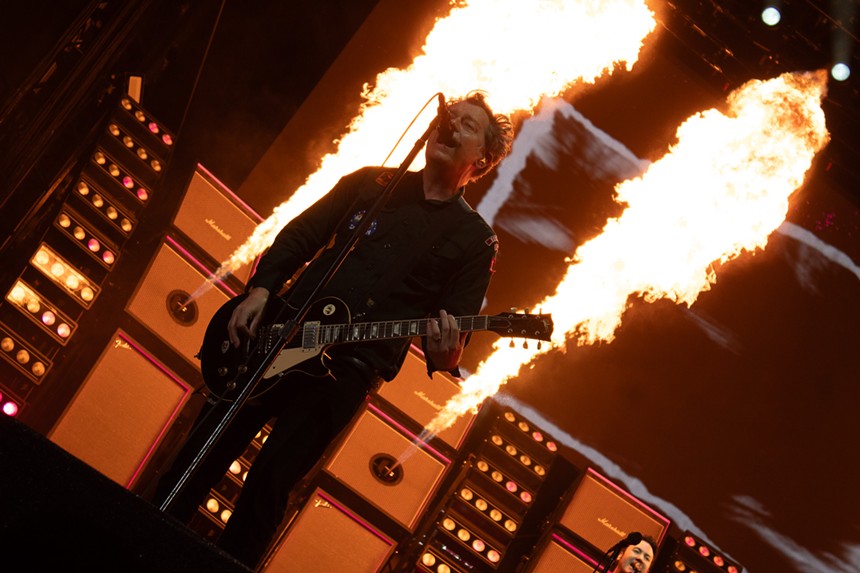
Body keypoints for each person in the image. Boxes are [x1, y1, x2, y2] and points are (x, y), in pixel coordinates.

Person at [152, 90, 513, 569]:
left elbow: (447, 346)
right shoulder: (372, 183)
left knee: (270, 482)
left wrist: (447, 354)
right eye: (450, 118)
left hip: (344, 371)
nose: (451, 125)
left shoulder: (475, 240)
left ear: (482, 158)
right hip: (281, 331)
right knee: (203, 447)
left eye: (467, 125)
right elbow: (303, 233)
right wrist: (260, 291)